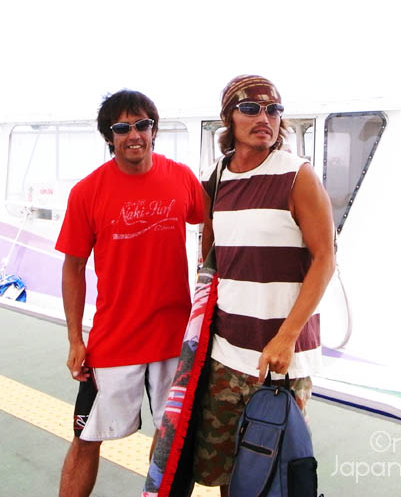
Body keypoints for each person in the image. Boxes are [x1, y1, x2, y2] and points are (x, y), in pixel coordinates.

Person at [56, 90, 203, 497]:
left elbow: (211, 221)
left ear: (154, 130)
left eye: (142, 125)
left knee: (172, 441)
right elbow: (73, 267)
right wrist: (75, 339)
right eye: (122, 128)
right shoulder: (87, 192)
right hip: (114, 339)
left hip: (174, 339)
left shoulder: (182, 178)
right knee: (86, 439)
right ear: (109, 137)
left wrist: (209, 284)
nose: (134, 135)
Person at [194, 75, 335, 496]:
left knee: (274, 478)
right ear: (229, 119)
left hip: (279, 362)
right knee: (228, 473)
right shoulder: (217, 176)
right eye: (251, 108)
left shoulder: (297, 175)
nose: (265, 118)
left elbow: (325, 259)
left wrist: (286, 337)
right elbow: (211, 260)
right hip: (225, 354)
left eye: (273, 110)